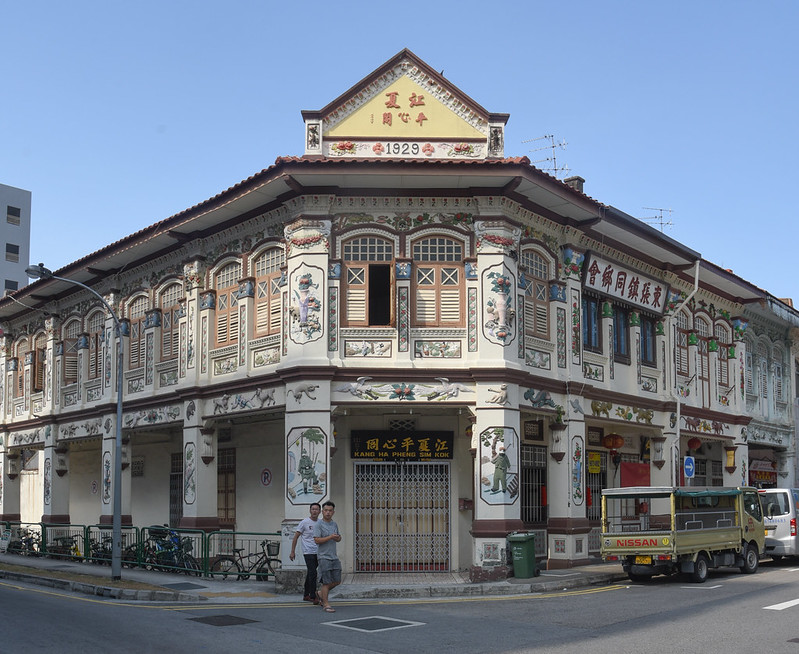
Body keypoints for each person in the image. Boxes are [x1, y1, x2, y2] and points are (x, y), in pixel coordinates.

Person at [289, 502, 321, 604]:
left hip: (318, 552)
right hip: (308, 551)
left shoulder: (321, 523)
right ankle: (313, 596)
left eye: (316, 509)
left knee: (311, 573)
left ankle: (306, 595)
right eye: (313, 509)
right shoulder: (304, 522)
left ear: (319, 511)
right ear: (310, 510)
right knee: (313, 573)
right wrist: (292, 551)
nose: (314, 511)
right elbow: (296, 537)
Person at [313, 500, 342, 613]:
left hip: (333, 556)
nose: (328, 512)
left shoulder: (334, 524)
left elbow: (339, 538)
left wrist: (337, 538)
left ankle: (321, 594)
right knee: (326, 582)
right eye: (326, 510)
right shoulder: (318, 524)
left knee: (337, 580)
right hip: (323, 556)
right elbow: (317, 540)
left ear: (333, 512)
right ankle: (326, 604)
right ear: (322, 511)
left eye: (330, 510)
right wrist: (330, 537)